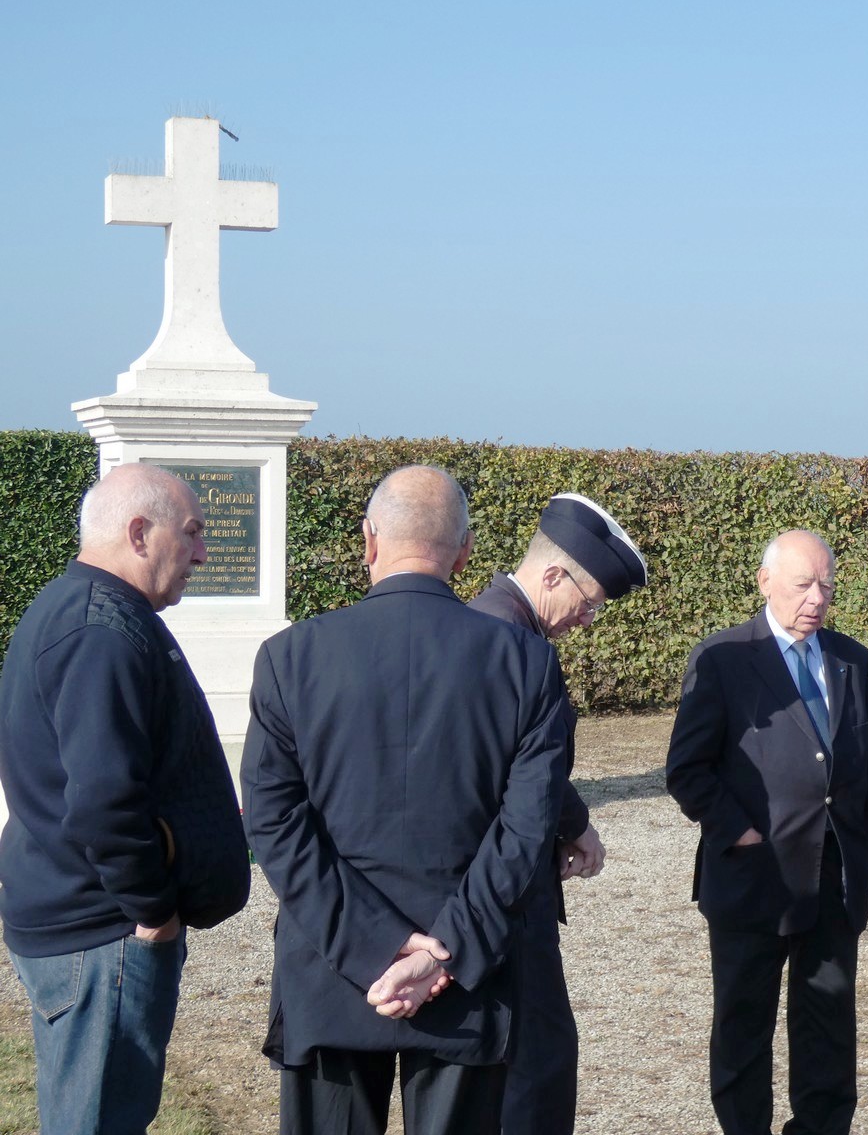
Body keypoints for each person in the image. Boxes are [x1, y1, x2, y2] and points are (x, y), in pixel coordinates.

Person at [242, 465, 570, 1135]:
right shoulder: (525, 661)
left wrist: (374, 945)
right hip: (467, 969)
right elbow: (526, 830)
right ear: (465, 551)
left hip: (334, 964)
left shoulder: (290, 657)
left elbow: (274, 822)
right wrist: (441, 950)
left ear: (368, 539)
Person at [0, 462, 249, 1135]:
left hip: (94, 932)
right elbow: (103, 804)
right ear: (139, 533)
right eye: (192, 532)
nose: (203, 553)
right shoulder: (99, 631)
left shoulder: (89, 610)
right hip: (103, 937)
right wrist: (153, 913)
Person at [666, 530, 868, 1135]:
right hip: (753, 877)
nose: (817, 599)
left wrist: (864, 837)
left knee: (828, 1023)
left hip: (834, 878)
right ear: (765, 582)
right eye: (803, 585)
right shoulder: (723, 658)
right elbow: (687, 769)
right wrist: (737, 832)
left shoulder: (851, 658)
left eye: (827, 586)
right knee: (744, 1024)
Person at [468, 492, 648, 1135]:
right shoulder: (511, 640)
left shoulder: (497, 623)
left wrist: (573, 823)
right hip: (508, 888)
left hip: (501, 879)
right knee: (535, 1064)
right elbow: (522, 769)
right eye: (588, 601)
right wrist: (574, 825)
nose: (588, 618)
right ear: (552, 575)